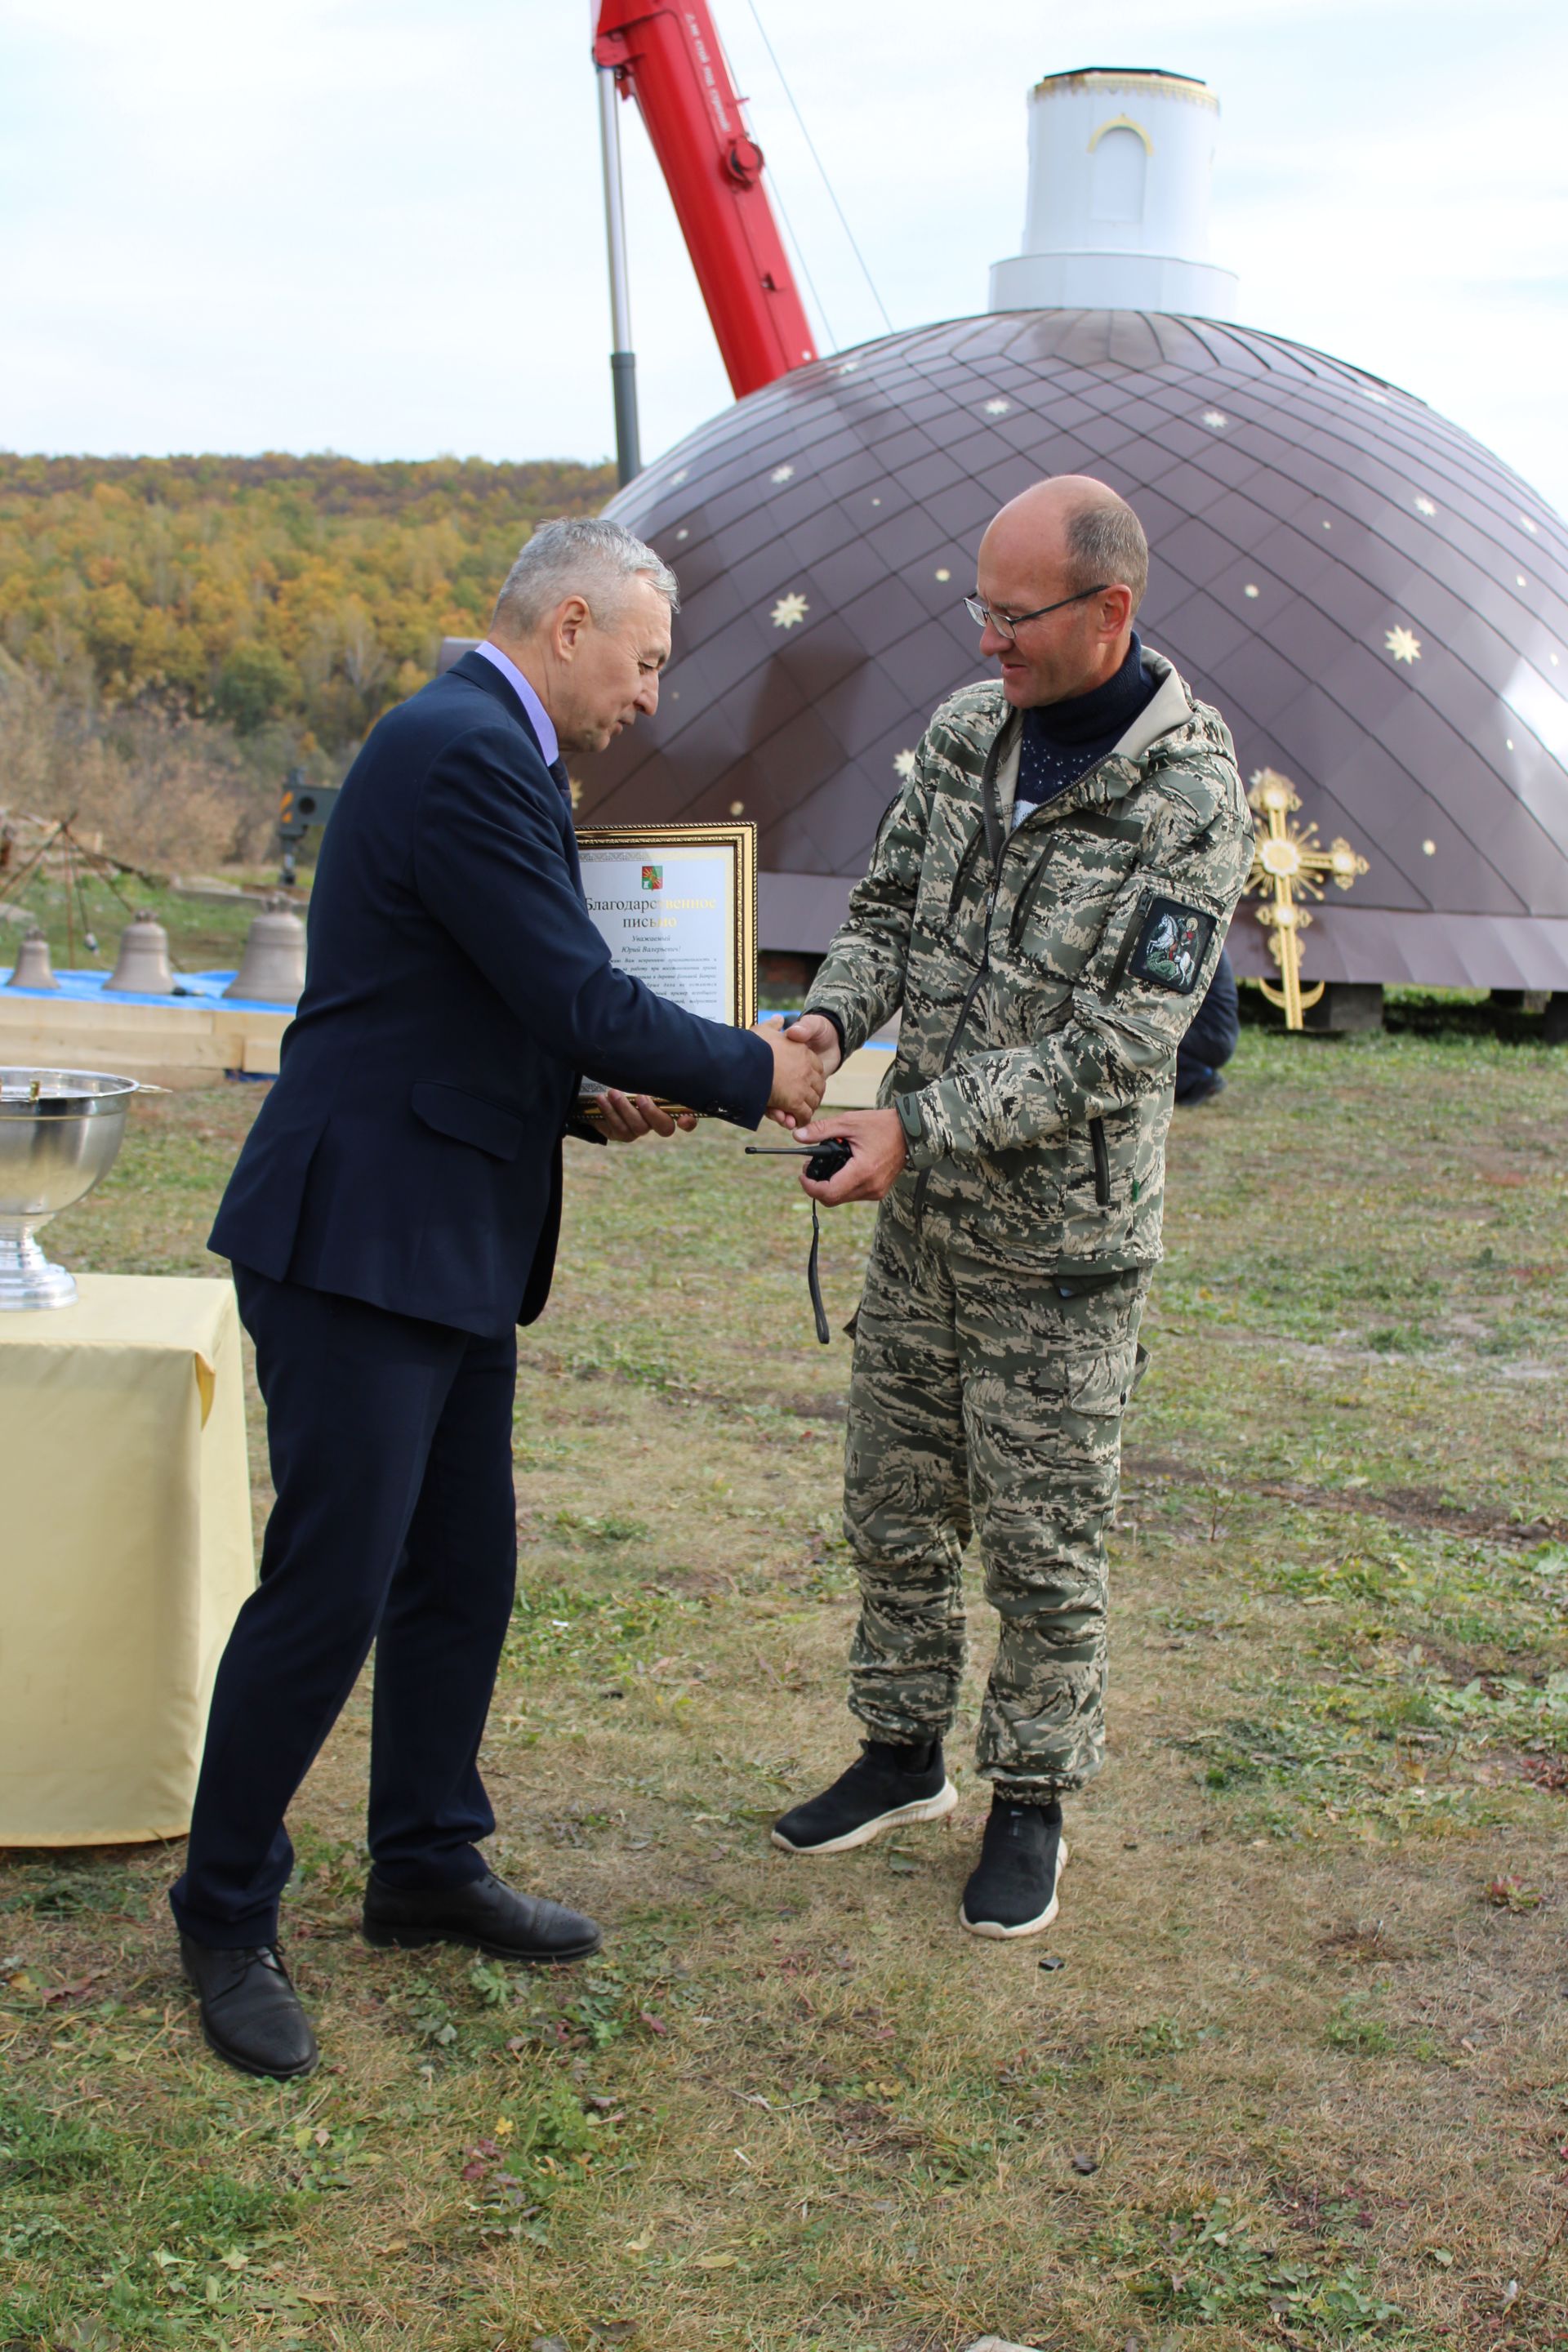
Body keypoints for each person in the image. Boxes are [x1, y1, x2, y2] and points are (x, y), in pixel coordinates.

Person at [172, 518, 826, 2079]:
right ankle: (219, 1910)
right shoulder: (468, 749)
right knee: (330, 1587)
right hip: (361, 1241)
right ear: (571, 623)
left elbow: (455, 1003)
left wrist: (574, 1102)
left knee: (462, 1565)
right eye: (647, 660)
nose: (652, 699)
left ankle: (424, 1860)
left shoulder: (481, 750)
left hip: (442, 1231)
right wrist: (754, 1068)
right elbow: (564, 988)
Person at [772, 477, 1253, 1938]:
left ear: (1112, 609)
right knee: (896, 1510)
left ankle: (1030, 1799)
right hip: (926, 1229)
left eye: (1014, 614)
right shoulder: (972, 737)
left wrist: (911, 1122)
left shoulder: (1191, 797)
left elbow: (1123, 1048)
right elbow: (885, 917)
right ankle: (901, 1750)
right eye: (976, 608)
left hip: (1063, 1253)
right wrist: (819, 1029)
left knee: (1045, 1546)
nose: (987, 641)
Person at [1174, 946, 1239, 1105]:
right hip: (1215, 1033)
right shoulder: (1211, 940)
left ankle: (1200, 1077)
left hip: (1211, 1035)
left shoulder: (1203, 942)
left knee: (1153, 1036)